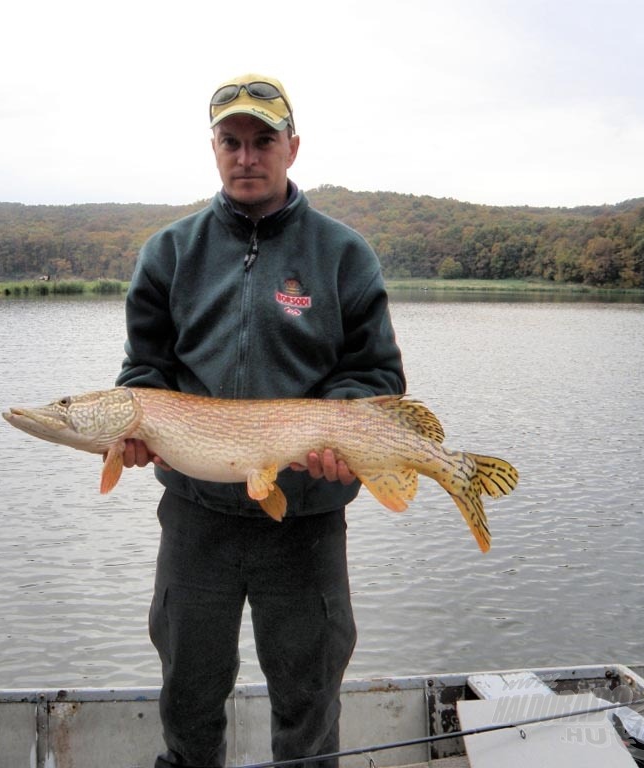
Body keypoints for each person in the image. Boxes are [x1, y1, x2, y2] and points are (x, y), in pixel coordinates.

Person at [116, 73, 406, 768]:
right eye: (231, 141)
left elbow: (377, 378)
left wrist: (339, 434)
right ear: (214, 149)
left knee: (307, 707)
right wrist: (133, 426)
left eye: (262, 141)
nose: (247, 156)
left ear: (292, 148)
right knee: (188, 697)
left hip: (303, 523)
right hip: (197, 518)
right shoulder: (170, 252)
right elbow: (143, 372)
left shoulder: (342, 254)